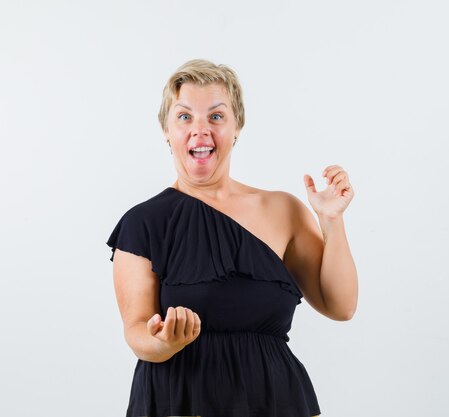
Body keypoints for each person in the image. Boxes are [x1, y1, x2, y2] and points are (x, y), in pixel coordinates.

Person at [106, 59, 358, 417]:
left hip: (276, 400)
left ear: (237, 126)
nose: (200, 130)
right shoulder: (142, 222)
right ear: (165, 130)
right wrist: (163, 342)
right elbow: (136, 332)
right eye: (184, 117)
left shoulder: (283, 210)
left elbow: (341, 306)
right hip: (179, 401)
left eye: (216, 116)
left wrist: (332, 221)